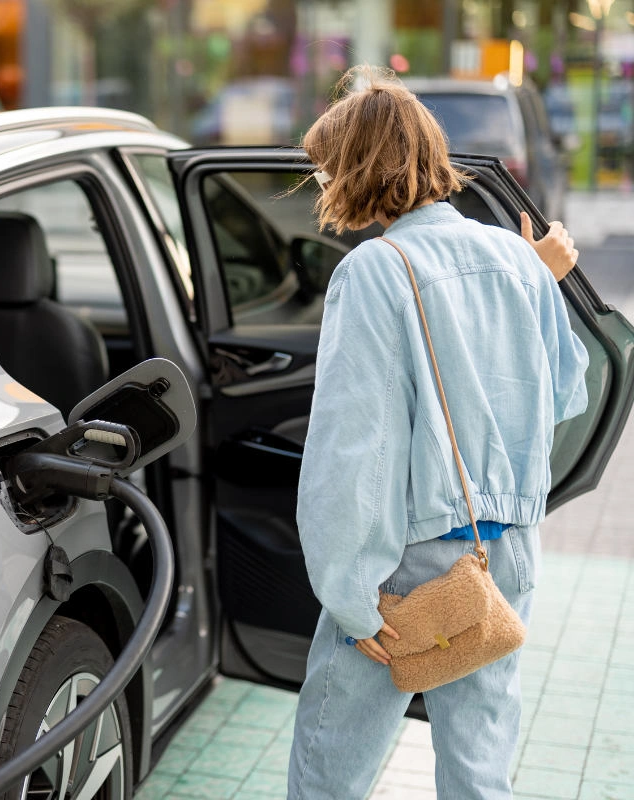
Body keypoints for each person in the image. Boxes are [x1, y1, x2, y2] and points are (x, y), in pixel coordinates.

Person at [287, 66, 587, 799]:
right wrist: (535, 278)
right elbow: (567, 390)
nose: (325, 185)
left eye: (329, 168)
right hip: (504, 556)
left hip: (407, 566)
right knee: (479, 770)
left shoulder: (374, 272)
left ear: (358, 169)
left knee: (331, 769)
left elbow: (354, 447)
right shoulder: (515, 260)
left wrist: (347, 591)